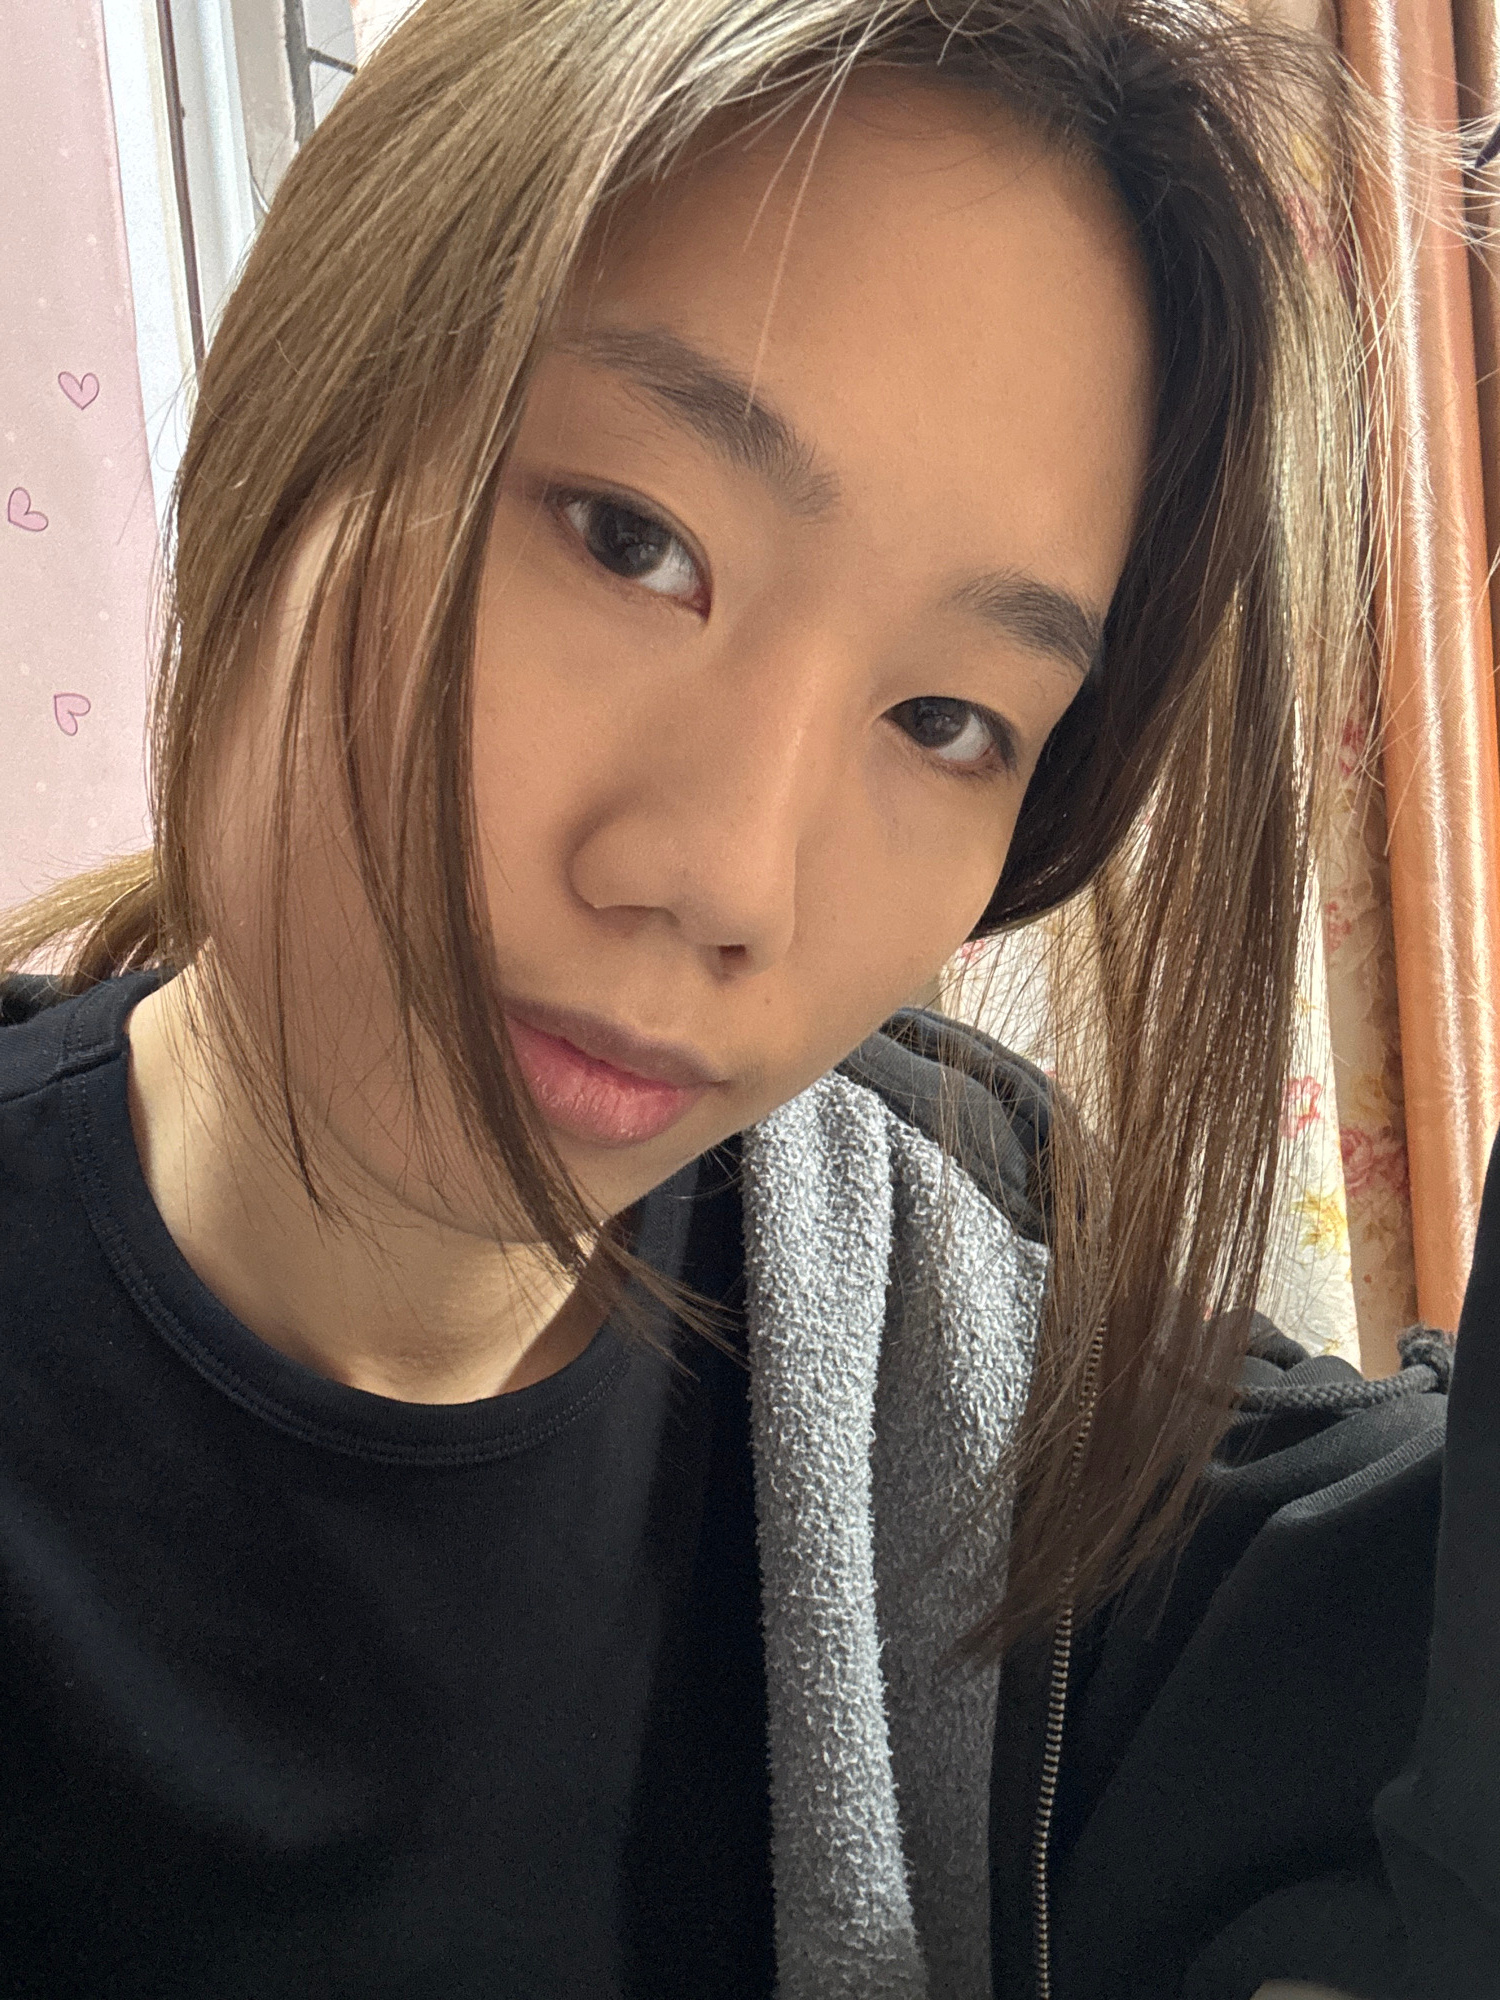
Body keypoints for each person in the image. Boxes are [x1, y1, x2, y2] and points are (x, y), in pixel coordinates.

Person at [0, 0, 1493, 1994]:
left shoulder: (1004, 1364)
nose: (726, 880)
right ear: (306, 391)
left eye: (947, 720)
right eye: (635, 544)